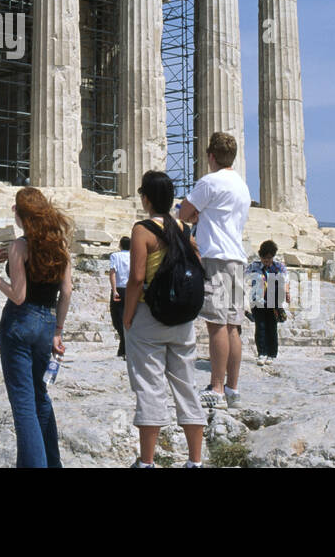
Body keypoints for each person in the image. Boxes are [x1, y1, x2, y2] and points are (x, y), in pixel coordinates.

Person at [0, 186, 73, 468]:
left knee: (23, 405)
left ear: (22, 215)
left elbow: (19, 295)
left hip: (19, 323)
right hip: (47, 322)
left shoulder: (19, 246)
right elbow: (67, 291)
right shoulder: (60, 246)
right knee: (40, 396)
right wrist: (58, 330)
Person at [123, 170, 206, 468]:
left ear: (146, 198)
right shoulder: (185, 228)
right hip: (182, 321)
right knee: (186, 385)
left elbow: (136, 278)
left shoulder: (142, 230)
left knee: (149, 387)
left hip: (150, 316)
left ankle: (147, 462)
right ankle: (195, 461)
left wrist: (128, 317)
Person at [178, 132, 251, 409]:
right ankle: (232, 388)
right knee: (233, 326)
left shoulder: (210, 182)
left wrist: (195, 215)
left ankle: (217, 388)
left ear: (210, 156)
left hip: (216, 258)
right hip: (237, 257)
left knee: (217, 324)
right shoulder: (242, 186)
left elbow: (183, 213)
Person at [245, 239, 290, 365]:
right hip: (257, 300)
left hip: (273, 301)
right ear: (260, 256)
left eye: (269, 258)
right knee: (260, 327)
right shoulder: (254, 266)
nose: (267, 261)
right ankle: (262, 353)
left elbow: (286, 280)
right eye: (264, 258)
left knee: (271, 327)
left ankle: (271, 354)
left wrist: (287, 293)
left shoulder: (278, 267)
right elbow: (243, 276)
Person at [108, 236, 131, 358]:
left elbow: (112, 273)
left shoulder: (115, 256)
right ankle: (123, 348)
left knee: (117, 318)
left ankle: (124, 348)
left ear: (120, 245)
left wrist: (114, 289)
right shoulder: (134, 256)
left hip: (119, 290)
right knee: (127, 318)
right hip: (131, 290)